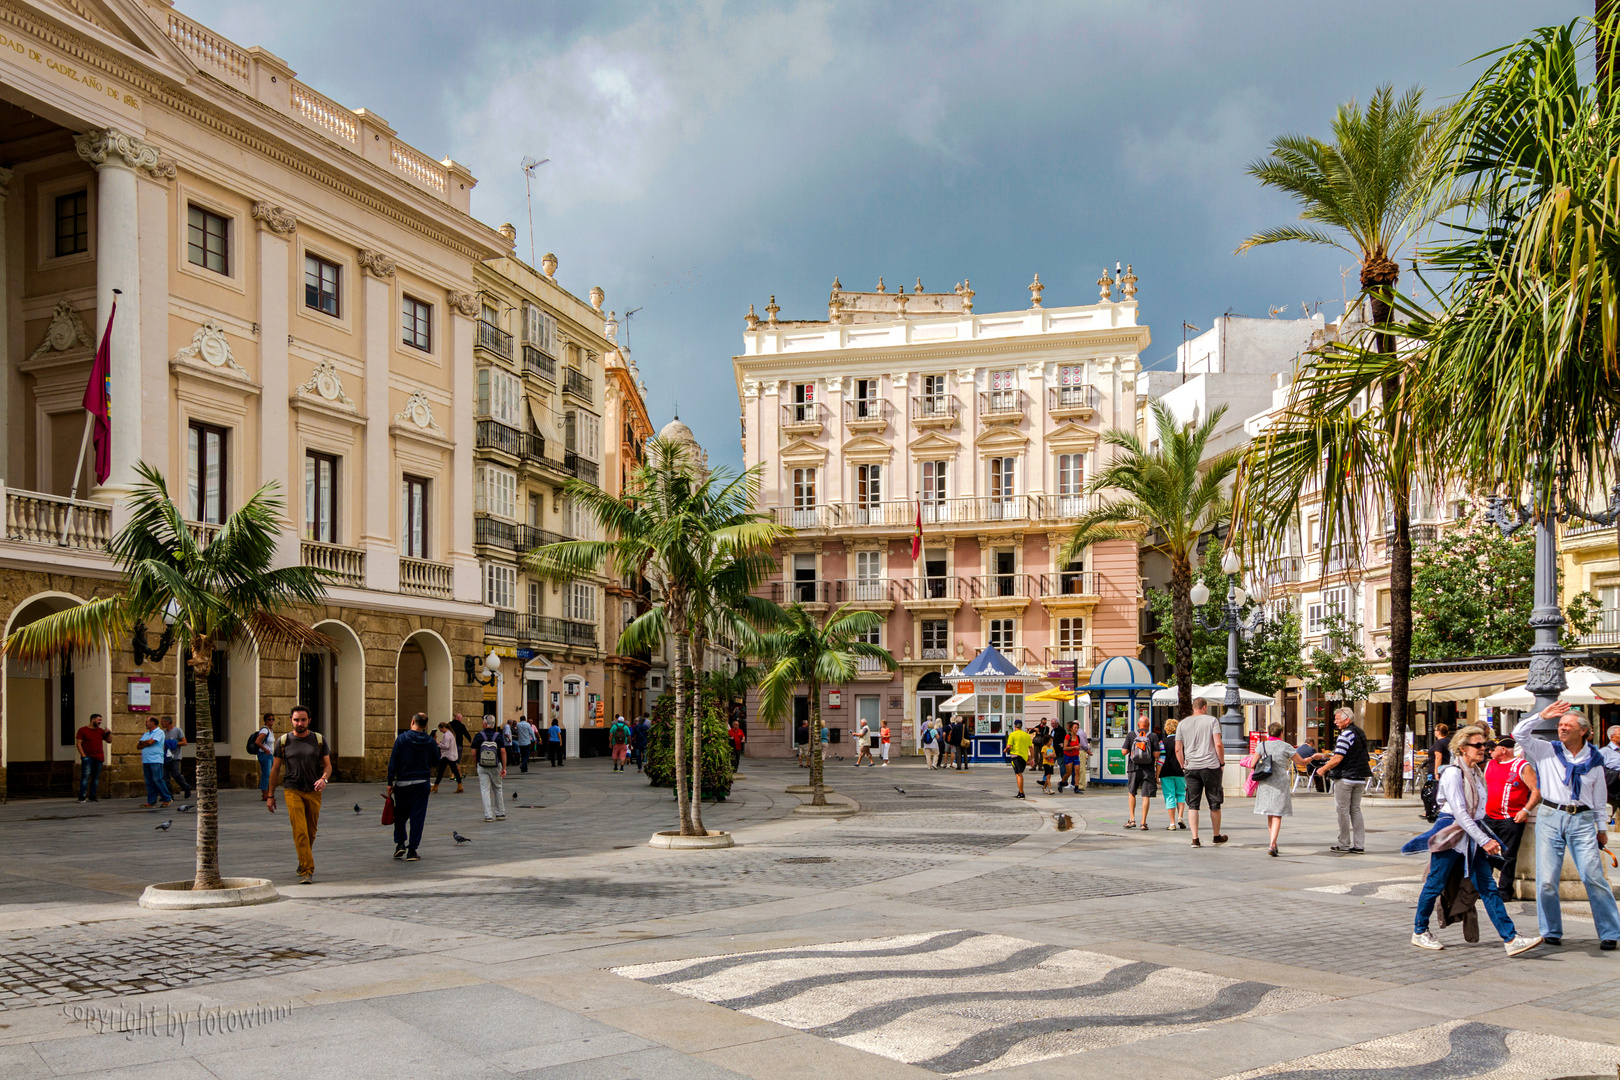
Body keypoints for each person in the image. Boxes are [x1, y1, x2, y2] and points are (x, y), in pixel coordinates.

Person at [1407, 724, 1541, 957]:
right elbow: (1459, 812)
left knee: (1488, 886)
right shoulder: (1453, 773)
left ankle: (1511, 938)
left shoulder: (1477, 772)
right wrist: (1485, 840)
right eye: (1478, 745)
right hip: (1451, 832)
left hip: (1473, 833)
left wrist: (1483, 837)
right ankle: (1420, 931)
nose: (1484, 749)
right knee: (1436, 883)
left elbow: (1477, 812)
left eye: (1485, 744)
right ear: (1462, 748)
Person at [1513, 700, 1620, 949]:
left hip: (1582, 820)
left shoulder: (1595, 759)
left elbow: (1598, 798)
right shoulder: (1547, 750)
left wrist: (1601, 829)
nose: (1561, 728)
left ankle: (1610, 933)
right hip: (1551, 816)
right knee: (1547, 879)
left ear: (1583, 730)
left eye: (1567, 725)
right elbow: (1519, 734)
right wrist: (1542, 715)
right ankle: (1550, 930)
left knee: (1593, 877)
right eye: (1560, 724)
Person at [265, 705, 331, 884]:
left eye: (303, 719)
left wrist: (324, 779)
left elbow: (327, 765)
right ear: (291, 720)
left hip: (314, 791)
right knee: (300, 831)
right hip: (292, 789)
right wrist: (270, 795)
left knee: (311, 832)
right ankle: (307, 871)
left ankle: (303, 861)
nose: (299, 723)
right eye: (296, 720)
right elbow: (276, 769)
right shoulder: (284, 741)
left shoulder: (318, 740)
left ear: (309, 720)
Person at [1484, 736, 1540, 903]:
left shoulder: (1522, 766)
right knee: (1485, 853)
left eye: (1492, 749)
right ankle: (1486, 887)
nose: (1489, 751)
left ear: (1503, 749)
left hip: (1511, 817)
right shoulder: (1490, 764)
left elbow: (1536, 790)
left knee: (1508, 855)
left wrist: (1526, 810)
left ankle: (1504, 890)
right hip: (1489, 816)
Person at [1312, 706, 1372, 854]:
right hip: (1359, 777)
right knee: (1356, 811)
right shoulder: (1360, 732)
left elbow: (1339, 758)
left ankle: (1344, 843)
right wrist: (1326, 757)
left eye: (1337, 719)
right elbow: (1348, 754)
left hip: (1346, 778)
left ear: (1346, 719)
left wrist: (1323, 768)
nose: (1335, 722)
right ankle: (1359, 844)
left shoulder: (1345, 734)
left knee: (1343, 811)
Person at [1252, 722, 1315, 856]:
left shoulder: (1261, 745)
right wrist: (1313, 757)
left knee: (1270, 813)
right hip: (1280, 782)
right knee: (1277, 814)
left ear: (1269, 733)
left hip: (1265, 782)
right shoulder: (1286, 746)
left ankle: (1273, 843)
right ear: (1281, 733)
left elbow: (1252, 763)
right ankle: (1271, 845)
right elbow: (1301, 762)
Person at [387, 712, 440, 861]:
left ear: (412, 722)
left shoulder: (401, 739)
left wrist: (390, 782)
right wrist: (434, 745)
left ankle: (400, 844)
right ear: (425, 725)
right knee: (418, 817)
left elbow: (394, 761)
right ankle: (412, 850)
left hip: (403, 783)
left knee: (400, 815)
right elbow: (436, 762)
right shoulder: (429, 741)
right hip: (421, 782)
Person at [1176, 697, 1227, 847]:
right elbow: (1218, 744)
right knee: (1215, 802)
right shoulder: (1212, 721)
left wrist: (1183, 766)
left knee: (1193, 804)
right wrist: (1221, 762)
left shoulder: (1182, 724)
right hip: (1210, 766)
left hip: (1191, 767)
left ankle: (1195, 839)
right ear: (1204, 707)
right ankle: (1216, 835)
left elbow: (1178, 748)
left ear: (1193, 707)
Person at [1125, 715, 1160, 829]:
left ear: (1138, 725)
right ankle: (1143, 822)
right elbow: (1156, 754)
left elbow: (1124, 751)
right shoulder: (1153, 736)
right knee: (1146, 795)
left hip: (1133, 768)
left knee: (1132, 792)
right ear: (1148, 725)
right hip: (1148, 770)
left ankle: (1132, 819)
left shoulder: (1131, 735)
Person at [471, 715, 509, 822]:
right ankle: (500, 813)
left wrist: (476, 763)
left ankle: (488, 815)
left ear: (485, 724)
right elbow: (503, 751)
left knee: (485, 790)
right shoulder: (498, 736)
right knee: (497, 788)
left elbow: (473, 753)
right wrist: (504, 767)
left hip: (482, 765)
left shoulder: (478, 736)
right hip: (496, 765)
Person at [138, 716, 171, 808]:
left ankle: (167, 798)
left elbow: (150, 743)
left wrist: (144, 743)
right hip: (146, 760)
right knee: (149, 781)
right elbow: (138, 746)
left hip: (155, 760)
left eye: (147, 722)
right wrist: (144, 742)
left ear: (152, 723)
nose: (145, 723)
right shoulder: (146, 734)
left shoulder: (159, 732)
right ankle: (151, 801)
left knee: (158, 779)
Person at [1159, 717, 1186, 828]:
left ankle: (1172, 823)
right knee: (1181, 794)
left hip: (1166, 772)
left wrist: (1157, 775)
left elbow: (1160, 760)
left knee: (1169, 796)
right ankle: (1180, 816)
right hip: (1181, 771)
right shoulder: (1183, 742)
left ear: (1166, 729)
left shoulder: (1162, 742)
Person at [75, 713, 108, 803]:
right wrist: (83, 755)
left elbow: (109, 741)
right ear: (93, 719)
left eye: (100, 720)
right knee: (85, 776)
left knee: (95, 778)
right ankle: (82, 796)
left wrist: (108, 733)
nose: (100, 722)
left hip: (99, 757)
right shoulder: (82, 730)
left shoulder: (100, 731)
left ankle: (92, 796)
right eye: (99, 720)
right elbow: (78, 743)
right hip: (88, 757)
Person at [159, 715, 193, 800]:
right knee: (164, 776)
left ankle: (186, 787)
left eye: (162, 722)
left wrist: (174, 743)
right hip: (166, 757)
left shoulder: (177, 730)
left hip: (175, 757)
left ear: (168, 722)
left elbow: (184, 742)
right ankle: (169, 795)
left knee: (176, 774)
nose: (161, 723)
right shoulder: (163, 732)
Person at [1005, 719, 1033, 799]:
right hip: (1024, 758)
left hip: (1015, 756)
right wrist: (1032, 758)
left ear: (1014, 726)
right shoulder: (1026, 735)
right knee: (1020, 773)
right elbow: (1031, 748)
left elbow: (1009, 746)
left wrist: (1005, 750)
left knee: (1018, 774)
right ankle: (1020, 791)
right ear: (1021, 725)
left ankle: (1021, 793)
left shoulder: (1012, 735)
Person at [251, 714, 276, 802]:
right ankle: (264, 794)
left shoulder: (270, 730)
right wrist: (265, 750)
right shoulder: (265, 730)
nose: (271, 721)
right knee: (266, 774)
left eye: (273, 719)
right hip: (265, 755)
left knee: (270, 774)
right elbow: (257, 741)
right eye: (269, 719)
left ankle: (269, 793)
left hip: (270, 755)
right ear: (265, 721)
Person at [432, 721, 463, 793]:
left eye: (440, 729)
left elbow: (446, 746)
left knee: (441, 771)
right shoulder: (450, 734)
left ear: (443, 728)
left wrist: (439, 744)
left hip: (447, 756)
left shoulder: (446, 735)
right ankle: (460, 785)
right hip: (451, 755)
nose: (440, 731)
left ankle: (436, 786)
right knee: (454, 771)